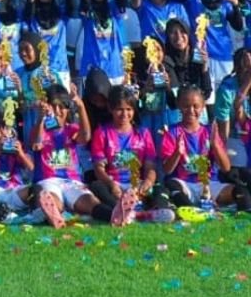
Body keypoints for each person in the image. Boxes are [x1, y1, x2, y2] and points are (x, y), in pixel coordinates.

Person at [30, 84, 111, 227]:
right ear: (46, 106)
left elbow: (85, 137)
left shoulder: (71, 129)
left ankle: (113, 215)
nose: (58, 111)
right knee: (53, 201)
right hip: (48, 180)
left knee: (88, 201)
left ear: (68, 110)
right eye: (53, 106)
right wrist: (41, 119)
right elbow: (36, 143)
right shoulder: (40, 130)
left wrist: (81, 106)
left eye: (62, 107)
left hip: (71, 181)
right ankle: (55, 214)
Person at [161, 85, 251, 211]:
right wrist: (177, 153)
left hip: (209, 184)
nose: (191, 110)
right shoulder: (172, 132)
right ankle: (190, 209)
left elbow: (226, 168)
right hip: (184, 183)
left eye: (196, 106)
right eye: (186, 106)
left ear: (203, 107)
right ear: (179, 105)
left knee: (241, 191)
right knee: (171, 186)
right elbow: (167, 170)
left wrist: (215, 145)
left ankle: (240, 210)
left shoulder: (209, 132)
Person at [88, 85, 170, 224]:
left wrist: (148, 182)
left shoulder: (143, 133)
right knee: (96, 186)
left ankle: (155, 211)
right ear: (110, 109)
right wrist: (112, 184)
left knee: (161, 188)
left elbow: (150, 167)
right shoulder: (102, 133)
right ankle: (124, 211)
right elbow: (98, 168)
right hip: (115, 185)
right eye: (120, 109)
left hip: (137, 184)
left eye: (129, 109)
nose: (124, 114)